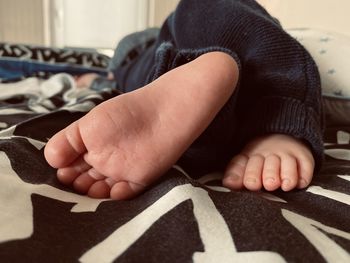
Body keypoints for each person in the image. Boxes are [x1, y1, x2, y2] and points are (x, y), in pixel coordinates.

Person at [44, 0, 324, 200]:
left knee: (137, 73)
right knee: (210, 10)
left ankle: (181, 88)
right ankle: (266, 118)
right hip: (133, 56)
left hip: (136, 58)